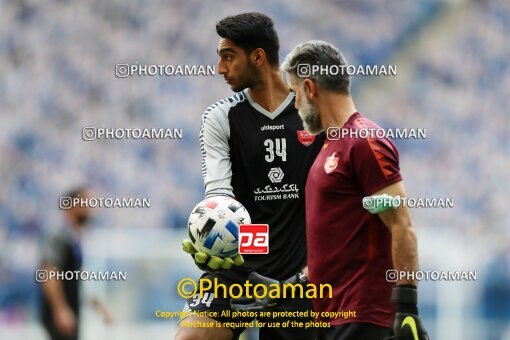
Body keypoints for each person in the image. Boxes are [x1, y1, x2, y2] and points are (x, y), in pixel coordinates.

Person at [176, 12, 323, 340]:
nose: (220, 69)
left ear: (258, 57)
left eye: (229, 57)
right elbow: (218, 195)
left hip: (300, 278)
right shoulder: (221, 118)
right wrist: (210, 234)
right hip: (237, 268)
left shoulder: (316, 114)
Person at [281, 40, 429, 340]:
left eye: (295, 94)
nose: (295, 105)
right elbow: (337, 244)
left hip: (363, 317)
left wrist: (406, 309)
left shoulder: (364, 140)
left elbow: (402, 225)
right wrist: (290, 286)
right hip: (330, 320)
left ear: (310, 88)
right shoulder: (330, 147)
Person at [39, 187, 112, 340]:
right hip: (60, 316)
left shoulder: (74, 240)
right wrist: (60, 309)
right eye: (87, 202)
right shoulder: (58, 238)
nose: (92, 208)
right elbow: (49, 273)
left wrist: (99, 307)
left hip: (71, 313)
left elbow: (79, 282)